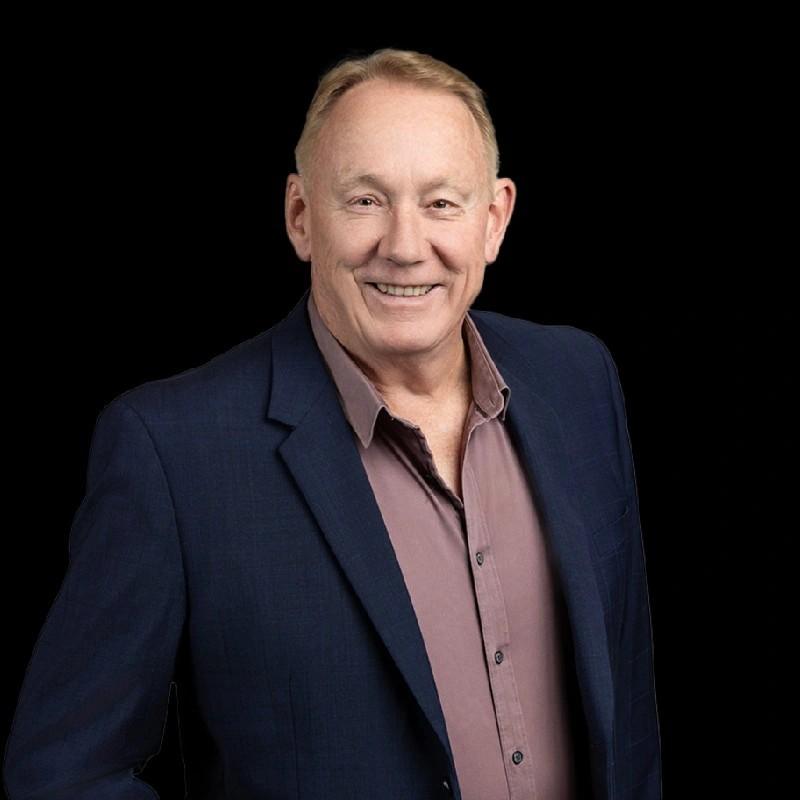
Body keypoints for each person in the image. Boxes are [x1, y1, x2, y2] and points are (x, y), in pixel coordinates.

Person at [3, 48, 662, 799]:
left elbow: (628, 717)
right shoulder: (172, 452)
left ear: (494, 220)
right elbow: (66, 775)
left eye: (441, 203)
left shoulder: (579, 382)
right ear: (300, 216)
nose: (405, 247)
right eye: (365, 200)